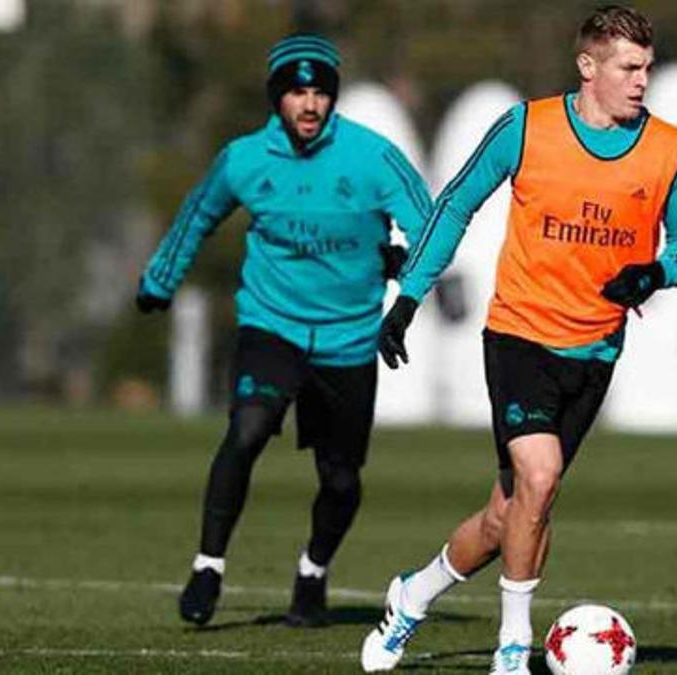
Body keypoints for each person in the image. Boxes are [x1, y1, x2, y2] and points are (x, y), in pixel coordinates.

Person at [359, 5, 677, 673]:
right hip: (519, 335)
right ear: (589, 66)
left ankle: (412, 594)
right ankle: (513, 646)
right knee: (540, 477)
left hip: (596, 351)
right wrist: (407, 300)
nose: (641, 82)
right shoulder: (528, 127)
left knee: (510, 514)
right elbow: (455, 203)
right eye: (628, 68)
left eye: (647, 69)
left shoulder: (668, 147)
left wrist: (656, 271)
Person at [136, 33, 431, 629]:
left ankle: (313, 572)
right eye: (297, 91)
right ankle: (208, 567)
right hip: (272, 327)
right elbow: (198, 215)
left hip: (349, 340)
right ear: (277, 97)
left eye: (321, 91)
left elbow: (429, 219)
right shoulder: (245, 159)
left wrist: (416, 271)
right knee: (247, 430)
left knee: (342, 479)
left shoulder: (371, 157)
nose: (310, 104)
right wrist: (159, 280)